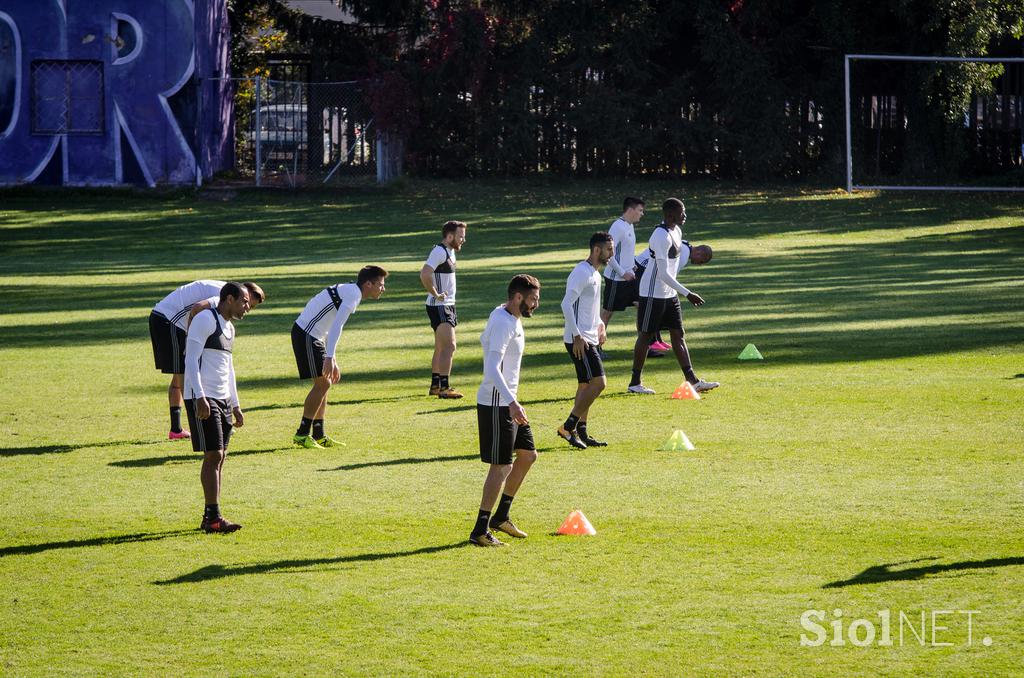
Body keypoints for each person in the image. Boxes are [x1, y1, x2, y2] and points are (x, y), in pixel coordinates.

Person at [469, 274, 541, 547]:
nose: (536, 305)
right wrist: (512, 402)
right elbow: (491, 368)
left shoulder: (508, 317)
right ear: (518, 297)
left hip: (508, 401)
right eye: (533, 299)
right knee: (501, 466)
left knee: (528, 455)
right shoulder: (502, 322)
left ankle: (501, 516)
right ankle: (479, 530)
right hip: (497, 403)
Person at [150, 280, 265, 439]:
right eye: (249, 304)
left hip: (164, 317)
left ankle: (176, 429)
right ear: (246, 294)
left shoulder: (228, 295)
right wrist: (192, 337)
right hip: (168, 320)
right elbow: (198, 307)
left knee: (180, 374)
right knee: (185, 372)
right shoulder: (224, 296)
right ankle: (201, 423)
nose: (248, 309)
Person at [290, 266, 388, 448]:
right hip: (306, 334)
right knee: (323, 383)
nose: (383, 289)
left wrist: (331, 357)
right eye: (380, 285)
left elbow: (328, 323)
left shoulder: (351, 291)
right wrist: (329, 356)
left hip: (313, 335)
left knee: (324, 381)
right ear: (368, 284)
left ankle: (319, 434)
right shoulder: (353, 295)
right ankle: (302, 434)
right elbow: (337, 326)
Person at [628, 197, 718, 395]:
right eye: (681, 212)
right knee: (645, 335)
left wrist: (679, 292)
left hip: (669, 294)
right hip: (652, 293)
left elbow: (671, 270)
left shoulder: (677, 231)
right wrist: (688, 293)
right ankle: (635, 383)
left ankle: (692, 380)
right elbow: (662, 273)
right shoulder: (660, 236)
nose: (684, 215)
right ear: (670, 215)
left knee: (678, 334)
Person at [183, 282, 251, 533]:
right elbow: (190, 358)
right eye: (244, 301)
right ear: (230, 299)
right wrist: (199, 396)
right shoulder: (205, 320)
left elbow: (228, 368)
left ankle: (211, 516)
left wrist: (236, 404)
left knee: (221, 457)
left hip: (222, 399)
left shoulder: (230, 328)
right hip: (203, 396)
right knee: (214, 455)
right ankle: (213, 517)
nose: (247, 307)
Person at [557, 232, 614, 449]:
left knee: (585, 385)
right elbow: (566, 305)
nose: (612, 254)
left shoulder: (596, 274)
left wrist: (600, 324)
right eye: (609, 249)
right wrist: (578, 335)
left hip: (589, 336)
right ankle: (568, 426)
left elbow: (589, 306)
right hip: (579, 339)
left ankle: (582, 432)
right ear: (597, 250)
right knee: (599, 383)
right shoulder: (581, 272)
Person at [420, 220, 467, 399]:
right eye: (460, 236)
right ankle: (445, 388)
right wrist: (436, 293)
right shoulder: (439, 251)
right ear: (449, 236)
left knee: (440, 347)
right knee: (450, 346)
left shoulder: (450, 251)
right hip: (440, 305)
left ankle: (435, 385)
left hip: (446, 305)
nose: (463, 240)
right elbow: (424, 273)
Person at [600, 197, 645, 330]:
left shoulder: (629, 225)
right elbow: (608, 255)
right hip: (616, 279)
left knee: (641, 306)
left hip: (630, 276)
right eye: (640, 210)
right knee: (607, 313)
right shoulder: (617, 227)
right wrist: (622, 273)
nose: (642, 214)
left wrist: (632, 266)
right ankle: (595, 346)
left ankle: (646, 345)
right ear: (631, 210)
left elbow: (625, 251)